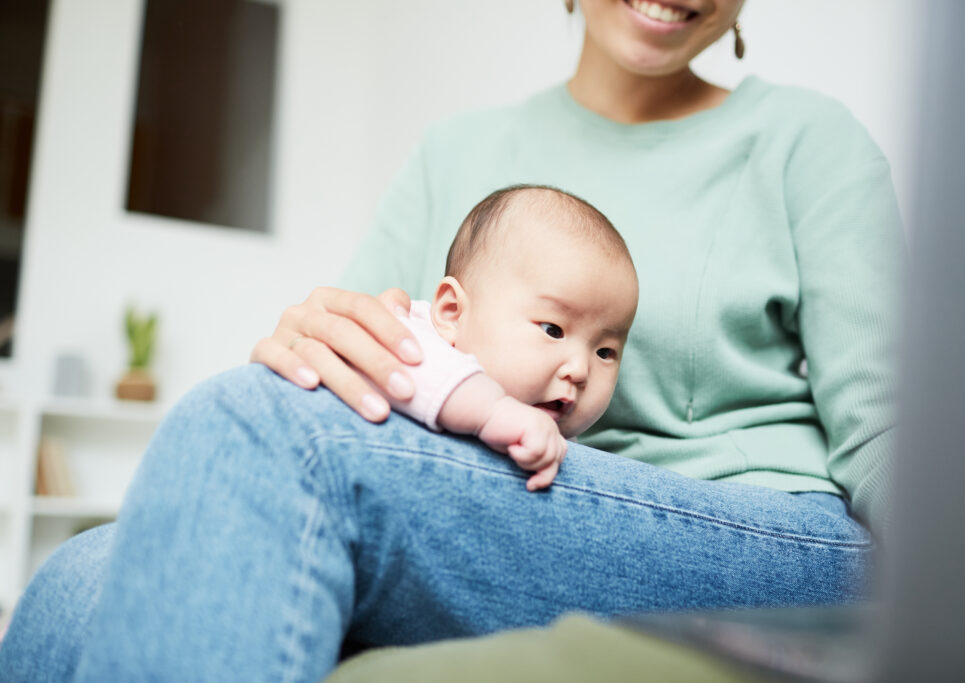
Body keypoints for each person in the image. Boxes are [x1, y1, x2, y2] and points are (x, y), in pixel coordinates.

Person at [0, 0, 904, 680]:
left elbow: (894, 425)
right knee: (74, 575)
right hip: (505, 494)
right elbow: (358, 367)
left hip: (764, 528)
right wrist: (320, 339)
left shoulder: (804, 140)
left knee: (277, 441)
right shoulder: (455, 150)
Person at [363, 184, 639, 491]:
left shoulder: (556, 443)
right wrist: (491, 411)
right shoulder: (414, 331)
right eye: (553, 330)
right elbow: (386, 367)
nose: (579, 370)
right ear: (453, 313)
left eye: (604, 352)